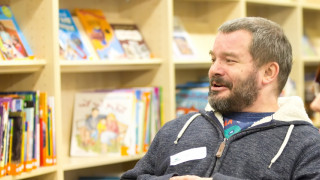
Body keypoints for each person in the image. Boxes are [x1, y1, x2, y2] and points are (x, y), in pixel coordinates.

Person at [120, 17, 320, 180]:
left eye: (229, 61)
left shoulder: (308, 144)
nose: (214, 70)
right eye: (213, 59)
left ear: (268, 72)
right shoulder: (177, 129)